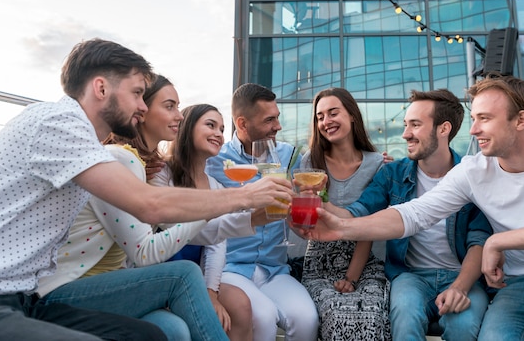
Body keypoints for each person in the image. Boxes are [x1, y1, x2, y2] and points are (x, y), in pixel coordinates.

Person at [0, 38, 292, 341]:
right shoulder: (58, 122)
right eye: (138, 93)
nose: (142, 105)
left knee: (150, 334)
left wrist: (250, 215)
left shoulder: (91, 148)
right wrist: (245, 196)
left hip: (25, 296)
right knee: (180, 279)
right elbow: (149, 207)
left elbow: (181, 224)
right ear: (101, 88)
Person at [304, 74, 524, 340]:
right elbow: (414, 213)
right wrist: (342, 226)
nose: (473, 130)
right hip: (519, 286)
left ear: (520, 120)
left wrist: (498, 241)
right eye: (474, 118)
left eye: (484, 118)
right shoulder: (473, 171)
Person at [37, 75, 251, 341]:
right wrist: (219, 205)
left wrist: (256, 217)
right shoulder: (121, 160)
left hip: (110, 282)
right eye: (169, 106)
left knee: (175, 329)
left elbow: (199, 233)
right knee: (185, 273)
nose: (180, 116)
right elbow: (145, 253)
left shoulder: (144, 165)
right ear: (144, 112)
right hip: (65, 290)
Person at [328, 89, 491, 340]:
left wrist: (460, 287)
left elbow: (479, 241)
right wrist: (318, 204)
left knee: (463, 327)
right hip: (411, 276)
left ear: (443, 128)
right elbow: (357, 213)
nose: (405, 134)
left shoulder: (473, 176)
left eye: (415, 125)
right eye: (406, 125)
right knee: (405, 317)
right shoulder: (392, 174)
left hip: (463, 276)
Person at [206, 83, 319, 341]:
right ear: (242, 124)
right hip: (231, 268)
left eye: (277, 118)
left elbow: (302, 193)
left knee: (307, 320)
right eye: (269, 120)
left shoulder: (288, 154)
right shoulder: (215, 161)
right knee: (263, 318)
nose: (277, 126)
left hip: (274, 268)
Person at [152, 103, 256, 341]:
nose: (219, 134)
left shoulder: (215, 185)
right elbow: (174, 224)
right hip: (160, 272)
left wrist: (211, 291)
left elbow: (217, 244)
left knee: (241, 305)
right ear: (187, 128)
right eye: (210, 125)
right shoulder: (161, 173)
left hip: (196, 275)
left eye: (221, 129)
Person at [299, 87, 389, 341]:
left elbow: (369, 225)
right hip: (320, 261)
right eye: (320, 117)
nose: (326, 121)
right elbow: (305, 219)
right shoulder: (309, 163)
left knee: (372, 313)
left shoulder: (378, 164)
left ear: (351, 115)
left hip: (366, 260)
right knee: (336, 312)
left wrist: (351, 277)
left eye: (333, 113)